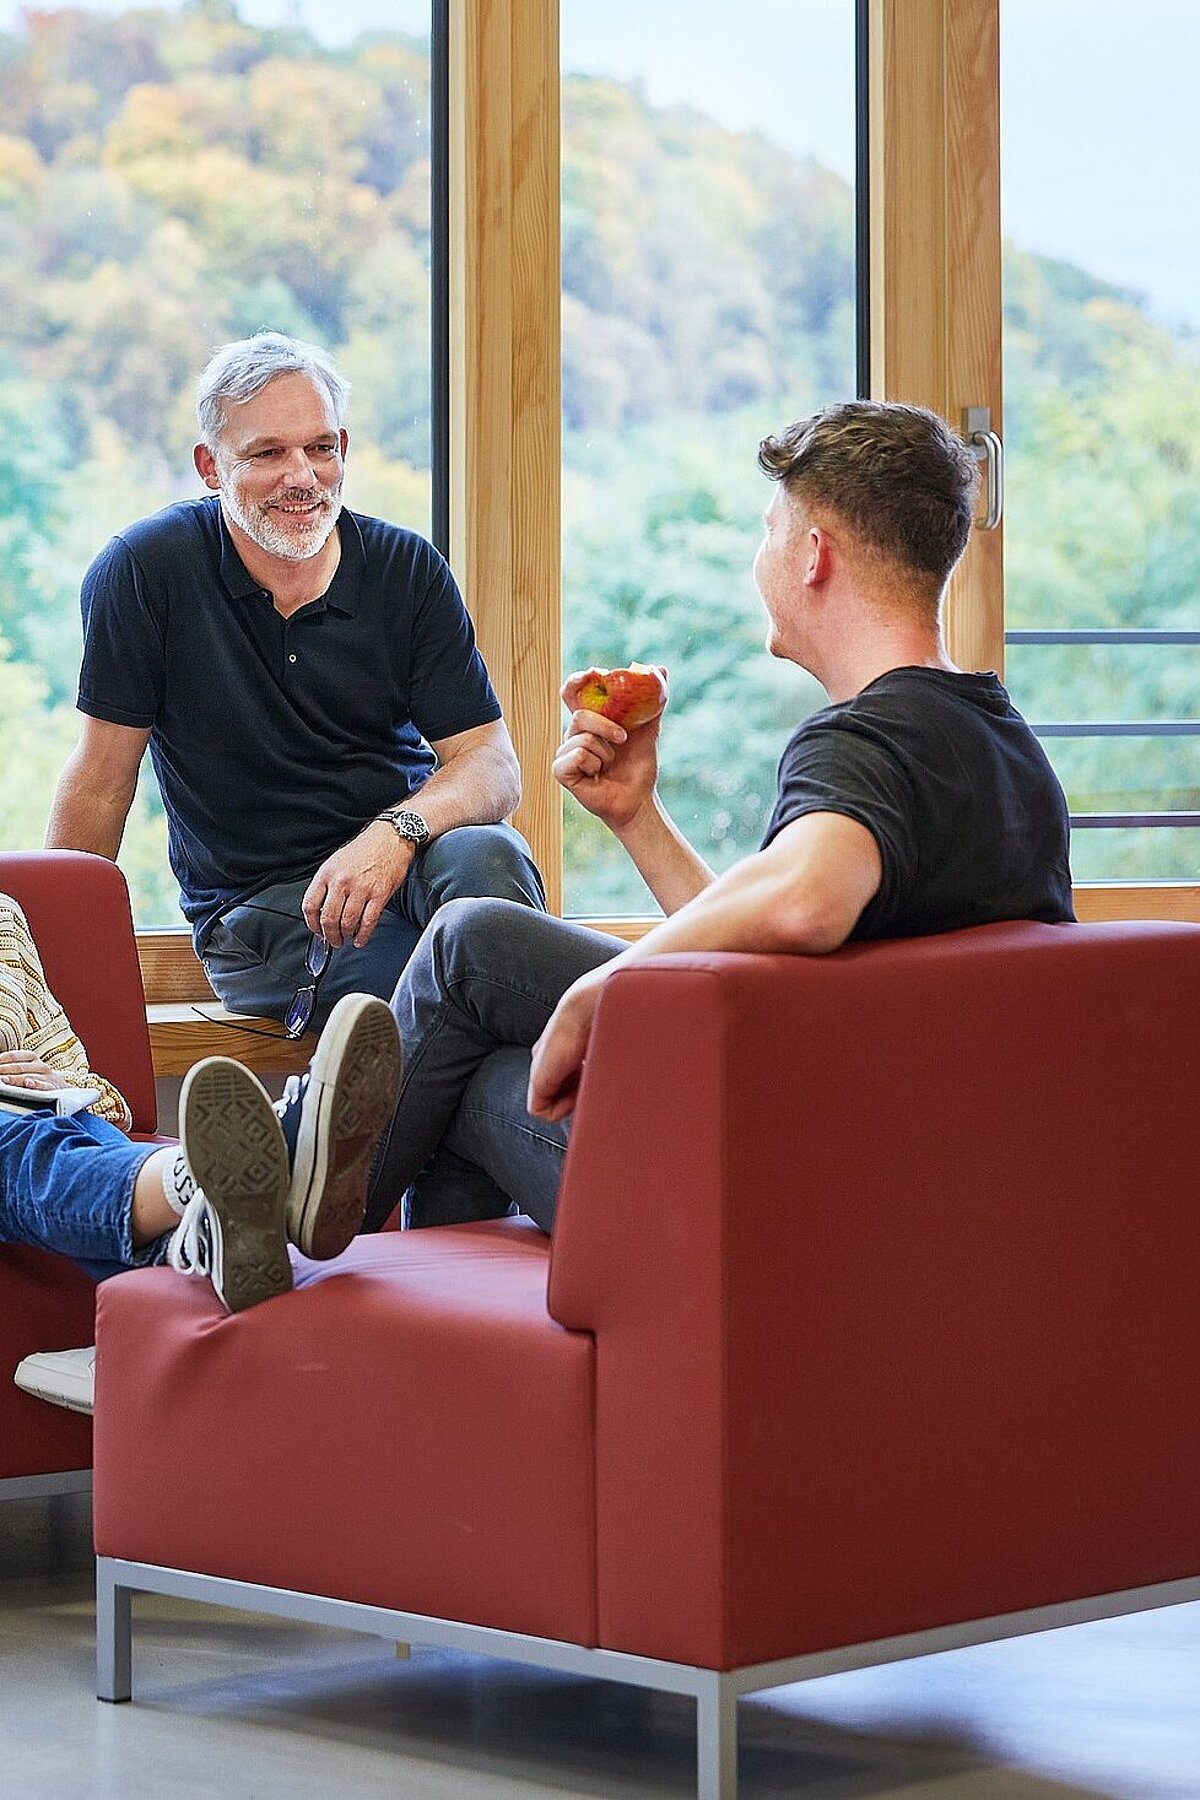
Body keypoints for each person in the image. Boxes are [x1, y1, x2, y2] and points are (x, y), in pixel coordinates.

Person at [359, 399, 1076, 1235]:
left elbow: (804, 902)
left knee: (465, 1014)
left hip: (791, 1202)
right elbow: (775, 955)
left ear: (813, 555)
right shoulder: (1005, 743)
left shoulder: (862, 741)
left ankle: (282, 1223)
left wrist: (600, 991)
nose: (760, 557)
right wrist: (638, 818)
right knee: (475, 957)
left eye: (770, 532)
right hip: (920, 1173)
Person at [45, 331, 545, 1029]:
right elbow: (100, 782)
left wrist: (394, 833)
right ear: (210, 466)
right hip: (259, 906)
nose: (303, 476)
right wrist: (47, 975)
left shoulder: (407, 569)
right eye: (267, 453)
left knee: (489, 859)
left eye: (320, 447)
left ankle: (315, 1108)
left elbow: (491, 764)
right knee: (461, 980)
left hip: (407, 857)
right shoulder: (144, 571)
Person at [3, 892, 402, 1415]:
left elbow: (102, 1099)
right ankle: (217, 1186)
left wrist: (63, 1085)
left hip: (48, 1117)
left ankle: (207, 1218)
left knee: (66, 1129)